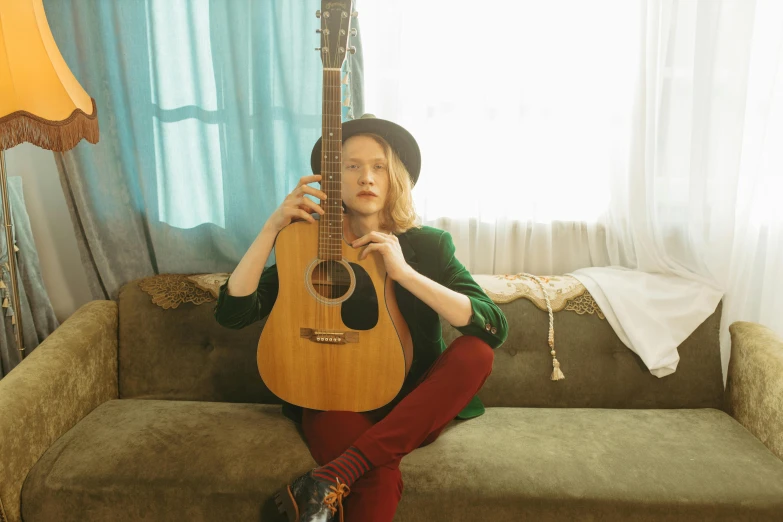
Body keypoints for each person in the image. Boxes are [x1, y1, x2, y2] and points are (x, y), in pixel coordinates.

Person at [213, 114, 508, 522]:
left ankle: (338, 471)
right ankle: (351, 469)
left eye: (378, 166)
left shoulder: (428, 246)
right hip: (332, 396)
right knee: (379, 478)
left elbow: (493, 325)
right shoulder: (307, 246)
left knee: (477, 353)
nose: (366, 177)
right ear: (331, 180)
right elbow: (234, 313)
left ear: (394, 179)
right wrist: (271, 229)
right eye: (351, 167)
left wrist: (405, 272)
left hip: (413, 403)